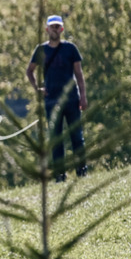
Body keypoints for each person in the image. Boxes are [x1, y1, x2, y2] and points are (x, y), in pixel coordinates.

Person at [26, 14, 88, 181]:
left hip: (72, 99)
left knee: (77, 136)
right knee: (56, 139)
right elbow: (29, 70)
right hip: (51, 100)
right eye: (52, 26)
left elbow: (79, 75)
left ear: (61, 29)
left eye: (57, 26)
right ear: (47, 29)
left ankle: (82, 171)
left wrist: (83, 96)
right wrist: (37, 88)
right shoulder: (41, 50)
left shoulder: (71, 49)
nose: (55, 29)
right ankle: (60, 175)